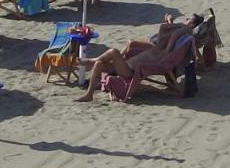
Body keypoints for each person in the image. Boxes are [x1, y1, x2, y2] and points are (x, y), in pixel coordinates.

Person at [75, 14, 203, 102]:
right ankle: (89, 94)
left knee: (114, 52)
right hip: (126, 65)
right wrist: (171, 22)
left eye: (189, 19)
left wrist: (180, 31)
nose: (186, 19)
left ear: (192, 24)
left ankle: (92, 60)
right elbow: (166, 30)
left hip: (130, 71)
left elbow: (175, 34)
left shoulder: (178, 38)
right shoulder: (166, 41)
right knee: (99, 64)